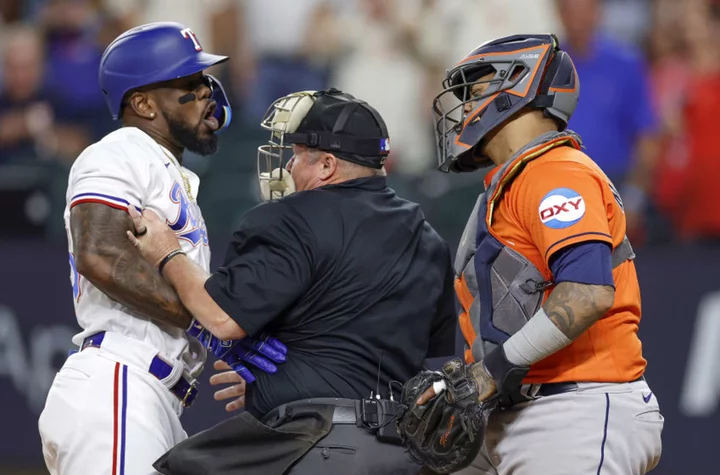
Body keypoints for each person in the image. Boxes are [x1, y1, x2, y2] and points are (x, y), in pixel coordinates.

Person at [125, 88, 457, 474]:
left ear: (327, 165)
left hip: (320, 447)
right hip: (405, 452)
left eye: (297, 154)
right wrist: (283, 379)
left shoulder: (292, 217)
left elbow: (220, 317)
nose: (289, 167)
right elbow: (393, 349)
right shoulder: (428, 238)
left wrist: (168, 253)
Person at [38, 22, 285, 475]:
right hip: (119, 383)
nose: (208, 92)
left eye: (205, 81)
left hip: (153, 399)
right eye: (189, 84)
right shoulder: (119, 149)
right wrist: (212, 326)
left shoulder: (164, 167)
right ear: (144, 104)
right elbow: (100, 254)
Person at [411, 34, 664, 474]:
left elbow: (587, 293)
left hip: (576, 409)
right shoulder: (517, 178)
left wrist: (488, 373)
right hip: (532, 410)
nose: (465, 106)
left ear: (517, 86)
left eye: (475, 90)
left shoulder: (555, 171)